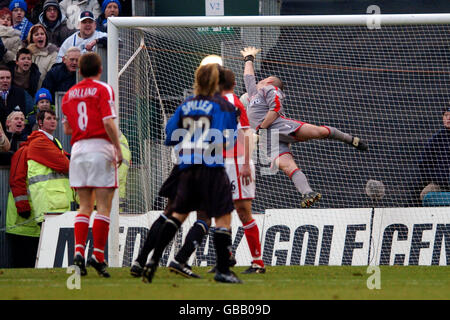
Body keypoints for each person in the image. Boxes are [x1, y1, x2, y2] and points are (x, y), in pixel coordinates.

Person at [140, 63, 242, 284]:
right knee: (222, 217)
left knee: (177, 214)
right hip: (211, 167)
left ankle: (153, 260)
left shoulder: (186, 105)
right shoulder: (222, 105)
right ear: (216, 82)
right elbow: (229, 139)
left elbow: (169, 136)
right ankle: (223, 270)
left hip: (186, 167)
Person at [166, 67, 265, 277]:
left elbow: (246, 134)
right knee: (219, 211)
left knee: (242, 210)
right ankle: (225, 259)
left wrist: (246, 163)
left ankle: (257, 262)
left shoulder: (231, 102)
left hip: (236, 162)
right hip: (218, 163)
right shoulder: (216, 101)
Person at [241, 46, 368, 208]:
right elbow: (248, 77)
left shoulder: (269, 89)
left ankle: (351, 139)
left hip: (281, 127)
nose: (259, 81)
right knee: (288, 167)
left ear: (270, 82)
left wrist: (261, 128)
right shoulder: (253, 94)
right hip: (269, 139)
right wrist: (249, 58)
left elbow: (276, 110)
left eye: (263, 79)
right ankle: (307, 192)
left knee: (319, 132)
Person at [62, 52, 123, 278]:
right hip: (100, 147)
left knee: (84, 206)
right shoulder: (103, 89)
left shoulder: (68, 95)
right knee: (104, 207)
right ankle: (98, 255)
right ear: (100, 70)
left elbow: (67, 128)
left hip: (78, 150)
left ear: (79, 71)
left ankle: (78, 252)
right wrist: (117, 148)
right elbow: (108, 121)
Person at [6, 109, 72, 268]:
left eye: (55, 118)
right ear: (40, 122)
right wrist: (22, 205)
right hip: (21, 220)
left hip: (37, 214)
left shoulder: (54, 146)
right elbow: (17, 179)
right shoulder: (26, 150)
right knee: (23, 262)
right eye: (49, 118)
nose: (53, 121)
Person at [418, 106, 450, 205]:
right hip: (441, 185)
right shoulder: (437, 139)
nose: (448, 118)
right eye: (446, 115)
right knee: (425, 194)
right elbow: (424, 163)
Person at [0, 65, 34, 133]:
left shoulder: (20, 93)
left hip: (16, 134)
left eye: (8, 78)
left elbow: (25, 114)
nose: (5, 80)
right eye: (2, 78)